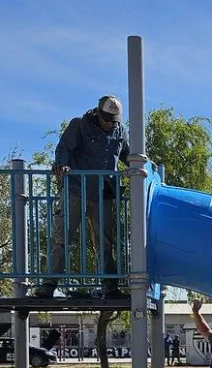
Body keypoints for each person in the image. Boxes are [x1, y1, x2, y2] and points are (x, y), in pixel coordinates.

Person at [33, 95, 131, 300]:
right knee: (62, 237)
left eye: (114, 121)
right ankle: (49, 285)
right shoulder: (80, 125)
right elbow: (64, 149)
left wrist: (142, 168)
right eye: (107, 120)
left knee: (105, 241)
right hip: (76, 189)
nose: (110, 125)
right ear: (98, 114)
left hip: (103, 191)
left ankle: (110, 287)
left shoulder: (120, 131)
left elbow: (128, 155)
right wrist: (62, 164)